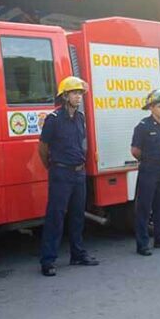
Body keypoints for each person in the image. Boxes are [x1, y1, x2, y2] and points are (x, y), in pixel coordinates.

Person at [38, 76, 99, 276]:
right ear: (65, 96)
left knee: (77, 216)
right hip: (61, 173)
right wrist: (52, 167)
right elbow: (43, 147)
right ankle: (48, 261)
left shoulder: (80, 118)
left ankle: (77, 254)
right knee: (55, 217)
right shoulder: (53, 119)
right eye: (74, 93)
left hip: (79, 173)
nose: (78, 97)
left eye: (80, 93)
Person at [130, 89, 160, 256]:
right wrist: (149, 160)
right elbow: (135, 150)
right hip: (148, 170)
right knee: (144, 208)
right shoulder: (143, 126)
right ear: (151, 107)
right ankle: (142, 244)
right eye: (159, 106)